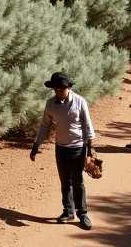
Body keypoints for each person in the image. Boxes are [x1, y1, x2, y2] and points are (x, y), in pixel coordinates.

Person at [29, 71, 96, 230]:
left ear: (68, 87)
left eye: (60, 89)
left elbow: (87, 126)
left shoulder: (80, 102)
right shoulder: (50, 104)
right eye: (55, 89)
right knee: (65, 181)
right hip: (61, 148)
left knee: (78, 181)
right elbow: (45, 125)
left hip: (78, 148)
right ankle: (68, 211)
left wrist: (90, 147)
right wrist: (36, 144)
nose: (57, 92)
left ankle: (83, 213)